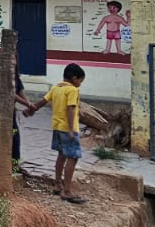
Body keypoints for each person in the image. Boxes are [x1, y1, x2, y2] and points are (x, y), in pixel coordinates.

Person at [27, 63, 108, 204]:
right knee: (73, 157)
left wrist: (32, 109)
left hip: (57, 127)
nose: (80, 85)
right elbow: (71, 109)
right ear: (74, 78)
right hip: (68, 128)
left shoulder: (56, 87)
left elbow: (42, 101)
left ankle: (58, 184)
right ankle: (67, 190)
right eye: (80, 81)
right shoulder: (72, 90)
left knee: (61, 155)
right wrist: (71, 129)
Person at [0, 67, 37, 167]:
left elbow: (20, 91)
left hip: (10, 109)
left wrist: (29, 104)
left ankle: (14, 161)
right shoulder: (2, 76)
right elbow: (11, 94)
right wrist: (27, 104)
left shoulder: (16, 77)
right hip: (0, 108)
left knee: (14, 135)